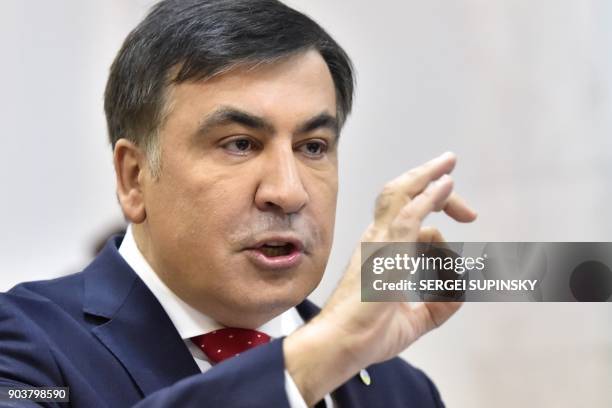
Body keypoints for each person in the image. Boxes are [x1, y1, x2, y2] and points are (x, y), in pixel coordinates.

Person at [0, 0, 477, 406]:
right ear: (134, 178)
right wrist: (320, 356)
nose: (288, 192)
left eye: (313, 147)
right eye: (240, 144)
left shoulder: (401, 391)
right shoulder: (24, 347)